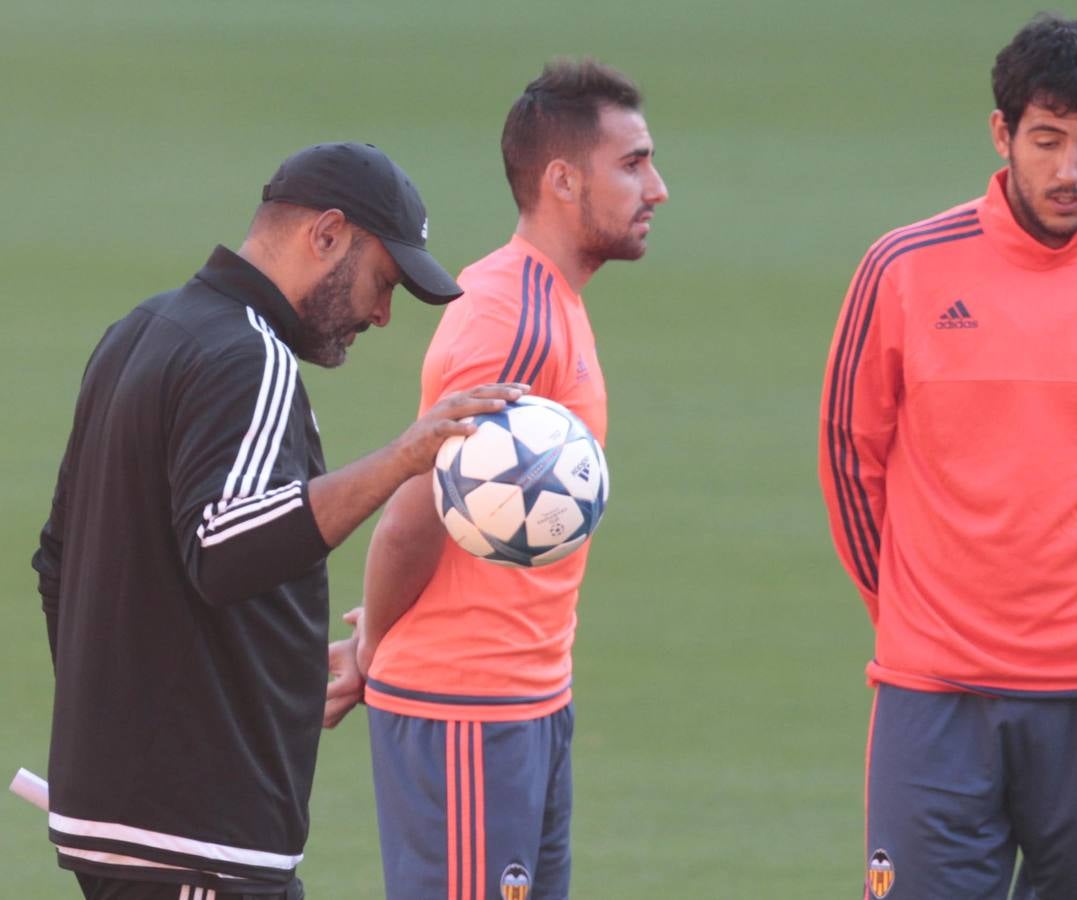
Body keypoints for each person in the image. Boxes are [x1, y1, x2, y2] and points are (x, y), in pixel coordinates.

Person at [32, 141, 525, 900]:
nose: (383, 314)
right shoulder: (247, 355)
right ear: (326, 234)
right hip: (198, 842)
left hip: (131, 833)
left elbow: (61, 562)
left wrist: (271, 678)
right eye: (382, 280)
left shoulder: (140, 331)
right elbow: (227, 550)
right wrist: (401, 459)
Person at [818, 15, 1077, 900]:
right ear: (1002, 135)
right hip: (937, 692)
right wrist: (916, 606)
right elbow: (851, 459)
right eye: (1046, 140)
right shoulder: (903, 270)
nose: (1068, 170)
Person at [322, 59, 668, 899]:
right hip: (467, 708)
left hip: (524, 698)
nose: (656, 188)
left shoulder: (549, 303)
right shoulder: (510, 323)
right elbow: (413, 516)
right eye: (632, 164)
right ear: (560, 179)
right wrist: (372, 653)